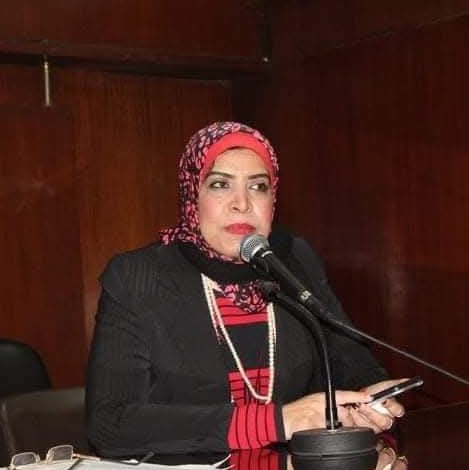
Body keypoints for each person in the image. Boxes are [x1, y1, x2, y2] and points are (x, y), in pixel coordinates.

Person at [86, 121, 407, 468]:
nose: (242, 204)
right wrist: (277, 421)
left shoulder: (293, 260)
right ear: (192, 195)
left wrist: (373, 398)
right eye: (220, 184)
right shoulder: (138, 277)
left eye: (258, 187)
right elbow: (110, 423)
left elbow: (351, 361)